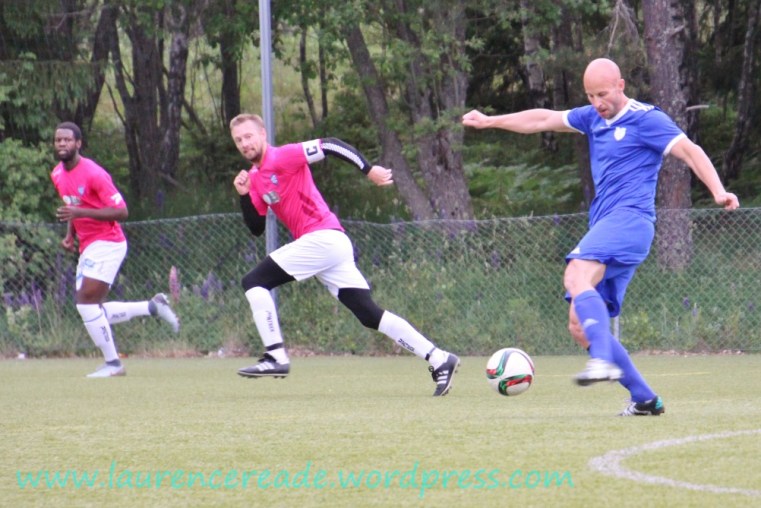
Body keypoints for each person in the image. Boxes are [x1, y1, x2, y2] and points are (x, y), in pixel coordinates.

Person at [462, 58, 739, 415]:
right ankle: (644, 399)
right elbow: (543, 119)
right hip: (607, 227)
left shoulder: (646, 119)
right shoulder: (592, 118)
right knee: (580, 326)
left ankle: (603, 360)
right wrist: (490, 121)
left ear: (621, 85)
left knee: (575, 273)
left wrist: (718, 191)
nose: (597, 103)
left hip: (631, 221)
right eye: (590, 96)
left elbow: (690, 151)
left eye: (603, 94)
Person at [229, 113, 460, 396]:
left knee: (254, 281)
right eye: (238, 140)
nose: (244, 143)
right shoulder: (254, 178)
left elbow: (330, 144)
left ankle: (275, 355)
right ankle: (439, 358)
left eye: (249, 136)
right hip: (328, 245)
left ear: (263, 134)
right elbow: (256, 228)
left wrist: (368, 169)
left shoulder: (283, 156)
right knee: (368, 314)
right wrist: (244, 195)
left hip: (323, 239)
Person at [50, 122, 180, 378]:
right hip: (88, 246)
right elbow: (72, 208)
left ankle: (113, 364)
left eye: (67, 139)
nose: (62, 143)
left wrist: (80, 213)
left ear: (78, 143)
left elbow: (121, 212)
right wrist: (70, 236)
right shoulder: (57, 174)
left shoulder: (94, 174)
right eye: (58, 140)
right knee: (92, 308)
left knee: (86, 305)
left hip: (108, 243)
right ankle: (152, 307)